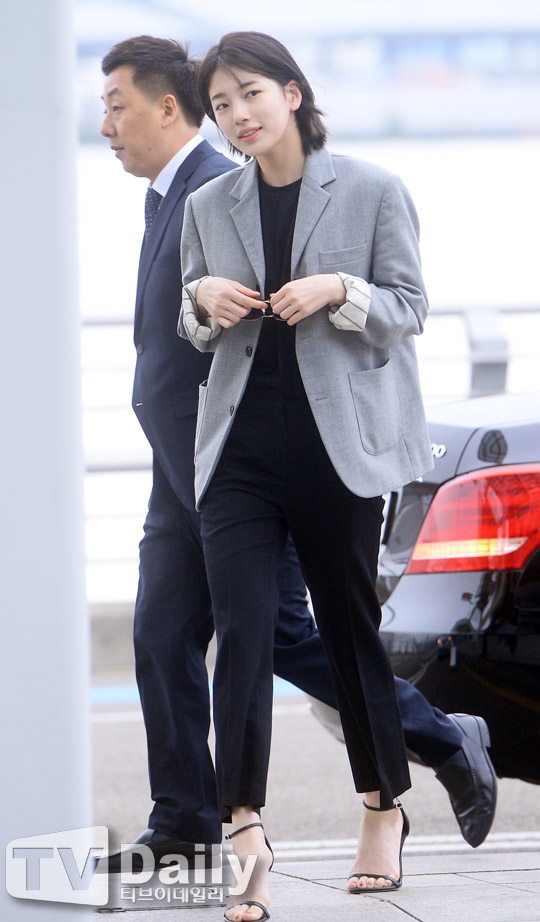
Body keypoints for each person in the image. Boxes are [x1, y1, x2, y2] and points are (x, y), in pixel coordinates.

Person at [98, 35, 496, 886]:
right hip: (231, 455)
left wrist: (340, 291)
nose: (238, 115)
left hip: (333, 449)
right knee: (236, 637)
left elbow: (409, 307)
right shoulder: (212, 204)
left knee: (340, 632)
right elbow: (192, 325)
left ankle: (386, 802)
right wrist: (201, 298)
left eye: (251, 94)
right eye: (224, 103)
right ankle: (236, 831)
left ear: (292, 92)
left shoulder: (371, 189)